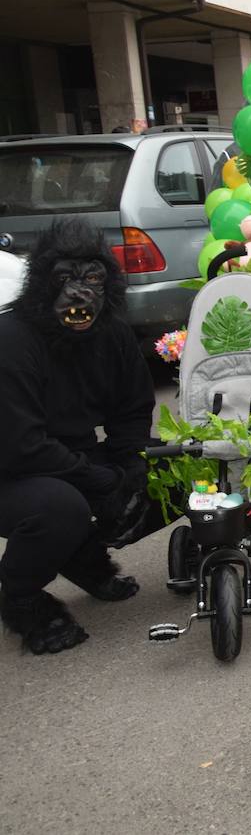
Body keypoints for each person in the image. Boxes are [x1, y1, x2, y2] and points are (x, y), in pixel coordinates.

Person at [0, 219, 152, 654]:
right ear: (42, 285)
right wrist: (101, 480)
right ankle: (22, 599)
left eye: (92, 278)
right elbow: (21, 446)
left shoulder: (113, 332)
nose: (79, 293)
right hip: (11, 469)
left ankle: (83, 561)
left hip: (69, 456)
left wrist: (131, 465)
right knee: (59, 508)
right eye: (64, 278)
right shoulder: (11, 340)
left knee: (172, 471)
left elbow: (132, 409)